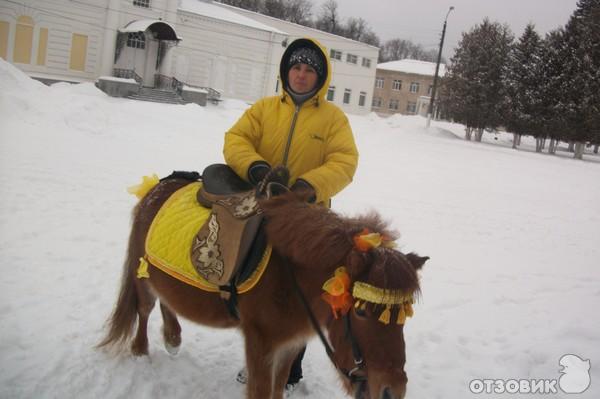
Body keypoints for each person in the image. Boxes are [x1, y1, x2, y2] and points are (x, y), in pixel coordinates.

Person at [223, 37, 359, 393]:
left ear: (320, 77)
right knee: (254, 282)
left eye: (309, 69)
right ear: (286, 71)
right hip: (260, 208)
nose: (301, 75)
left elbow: (345, 162)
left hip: (307, 222)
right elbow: (235, 139)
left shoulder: (333, 119)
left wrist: (307, 186)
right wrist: (254, 167)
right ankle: (259, 355)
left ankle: (290, 369)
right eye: (296, 68)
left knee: (301, 296)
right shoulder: (265, 109)